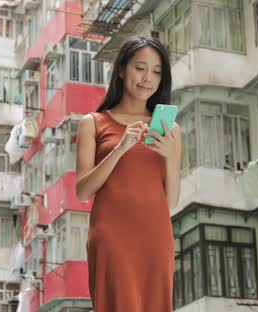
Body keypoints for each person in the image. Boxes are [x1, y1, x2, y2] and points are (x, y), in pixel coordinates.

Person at [75, 35, 181, 311]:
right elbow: (83, 191)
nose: (148, 78)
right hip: (112, 237)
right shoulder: (93, 123)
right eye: (140, 67)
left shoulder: (170, 129)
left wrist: (170, 156)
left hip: (156, 237)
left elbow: (170, 202)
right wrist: (121, 148)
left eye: (157, 72)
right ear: (121, 69)